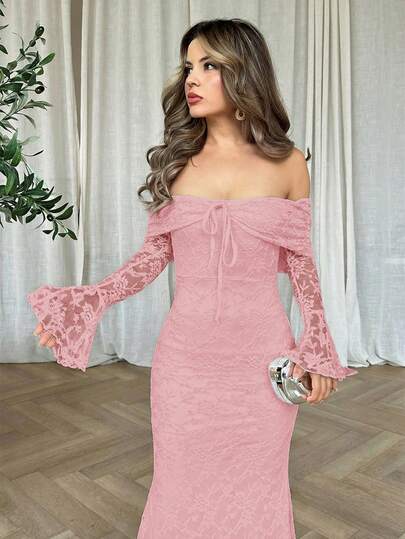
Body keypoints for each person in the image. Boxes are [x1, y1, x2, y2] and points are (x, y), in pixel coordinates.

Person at [28, 18, 358, 539]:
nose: (192, 79)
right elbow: (152, 257)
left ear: (244, 73)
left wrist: (316, 343)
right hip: (185, 363)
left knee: (257, 483)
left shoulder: (289, 163)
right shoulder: (178, 162)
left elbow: (301, 264)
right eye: (188, 67)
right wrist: (87, 300)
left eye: (209, 66)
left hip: (259, 360)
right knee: (179, 484)